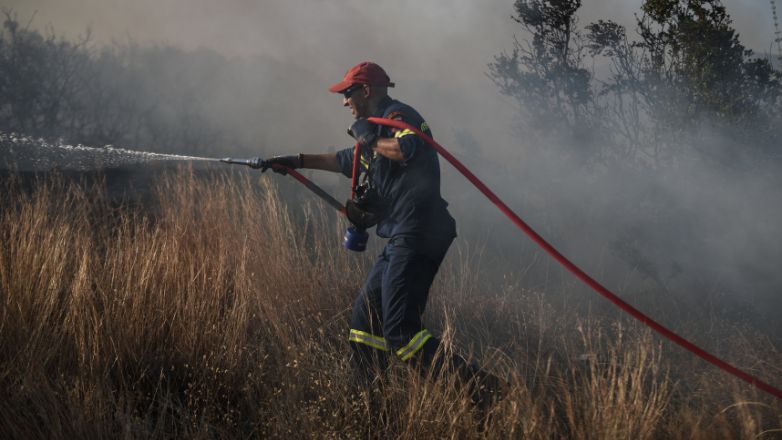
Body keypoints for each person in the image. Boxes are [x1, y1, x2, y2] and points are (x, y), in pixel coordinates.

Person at [255, 62, 494, 395]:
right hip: (401, 235)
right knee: (364, 322)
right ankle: (371, 402)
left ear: (366, 91)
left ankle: (486, 392)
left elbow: (406, 149)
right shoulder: (373, 132)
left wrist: (369, 138)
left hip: (420, 232)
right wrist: (293, 160)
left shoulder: (399, 117)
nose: (344, 102)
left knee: (400, 332)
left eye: (347, 93)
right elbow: (341, 160)